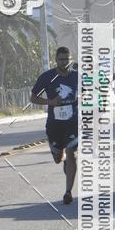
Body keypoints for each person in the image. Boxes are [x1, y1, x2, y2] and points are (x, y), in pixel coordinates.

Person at [30, 46, 78, 205]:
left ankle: (68, 191)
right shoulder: (47, 77)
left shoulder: (78, 76)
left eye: (66, 60)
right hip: (54, 125)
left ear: (71, 60)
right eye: (61, 59)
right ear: (56, 60)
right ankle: (63, 161)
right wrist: (50, 102)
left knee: (71, 153)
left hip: (73, 123)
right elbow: (33, 98)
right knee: (58, 158)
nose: (64, 62)